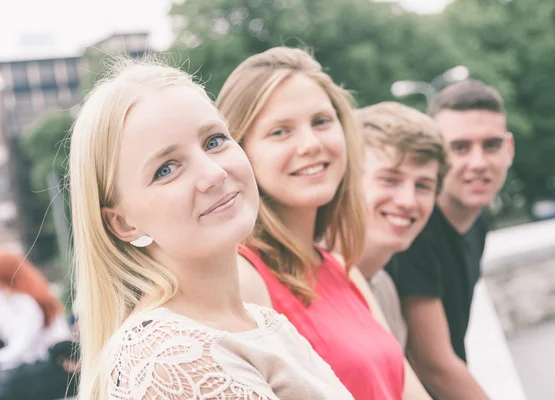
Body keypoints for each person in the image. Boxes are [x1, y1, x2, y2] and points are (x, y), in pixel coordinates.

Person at [69, 58, 354, 400]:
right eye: (166, 169)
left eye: (215, 141)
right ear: (122, 222)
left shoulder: (258, 321)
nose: (214, 173)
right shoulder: (171, 356)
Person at [217, 46, 420, 399]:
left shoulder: (344, 270)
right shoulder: (241, 279)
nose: (310, 144)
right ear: (240, 151)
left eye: (321, 122)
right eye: (280, 131)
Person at [385, 80, 514, 399]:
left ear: (509, 148)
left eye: (491, 145)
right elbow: (434, 365)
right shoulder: (415, 229)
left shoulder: (477, 222)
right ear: (435, 155)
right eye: (459, 148)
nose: (478, 163)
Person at [353, 102, 448, 350]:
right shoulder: (306, 286)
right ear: (348, 181)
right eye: (389, 179)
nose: (408, 201)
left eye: (423, 186)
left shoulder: (384, 288)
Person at [0, 251, 71, 370]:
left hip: (52, 364)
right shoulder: (9, 300)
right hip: (33, 365)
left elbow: (23, 344)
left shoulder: (28, 302)